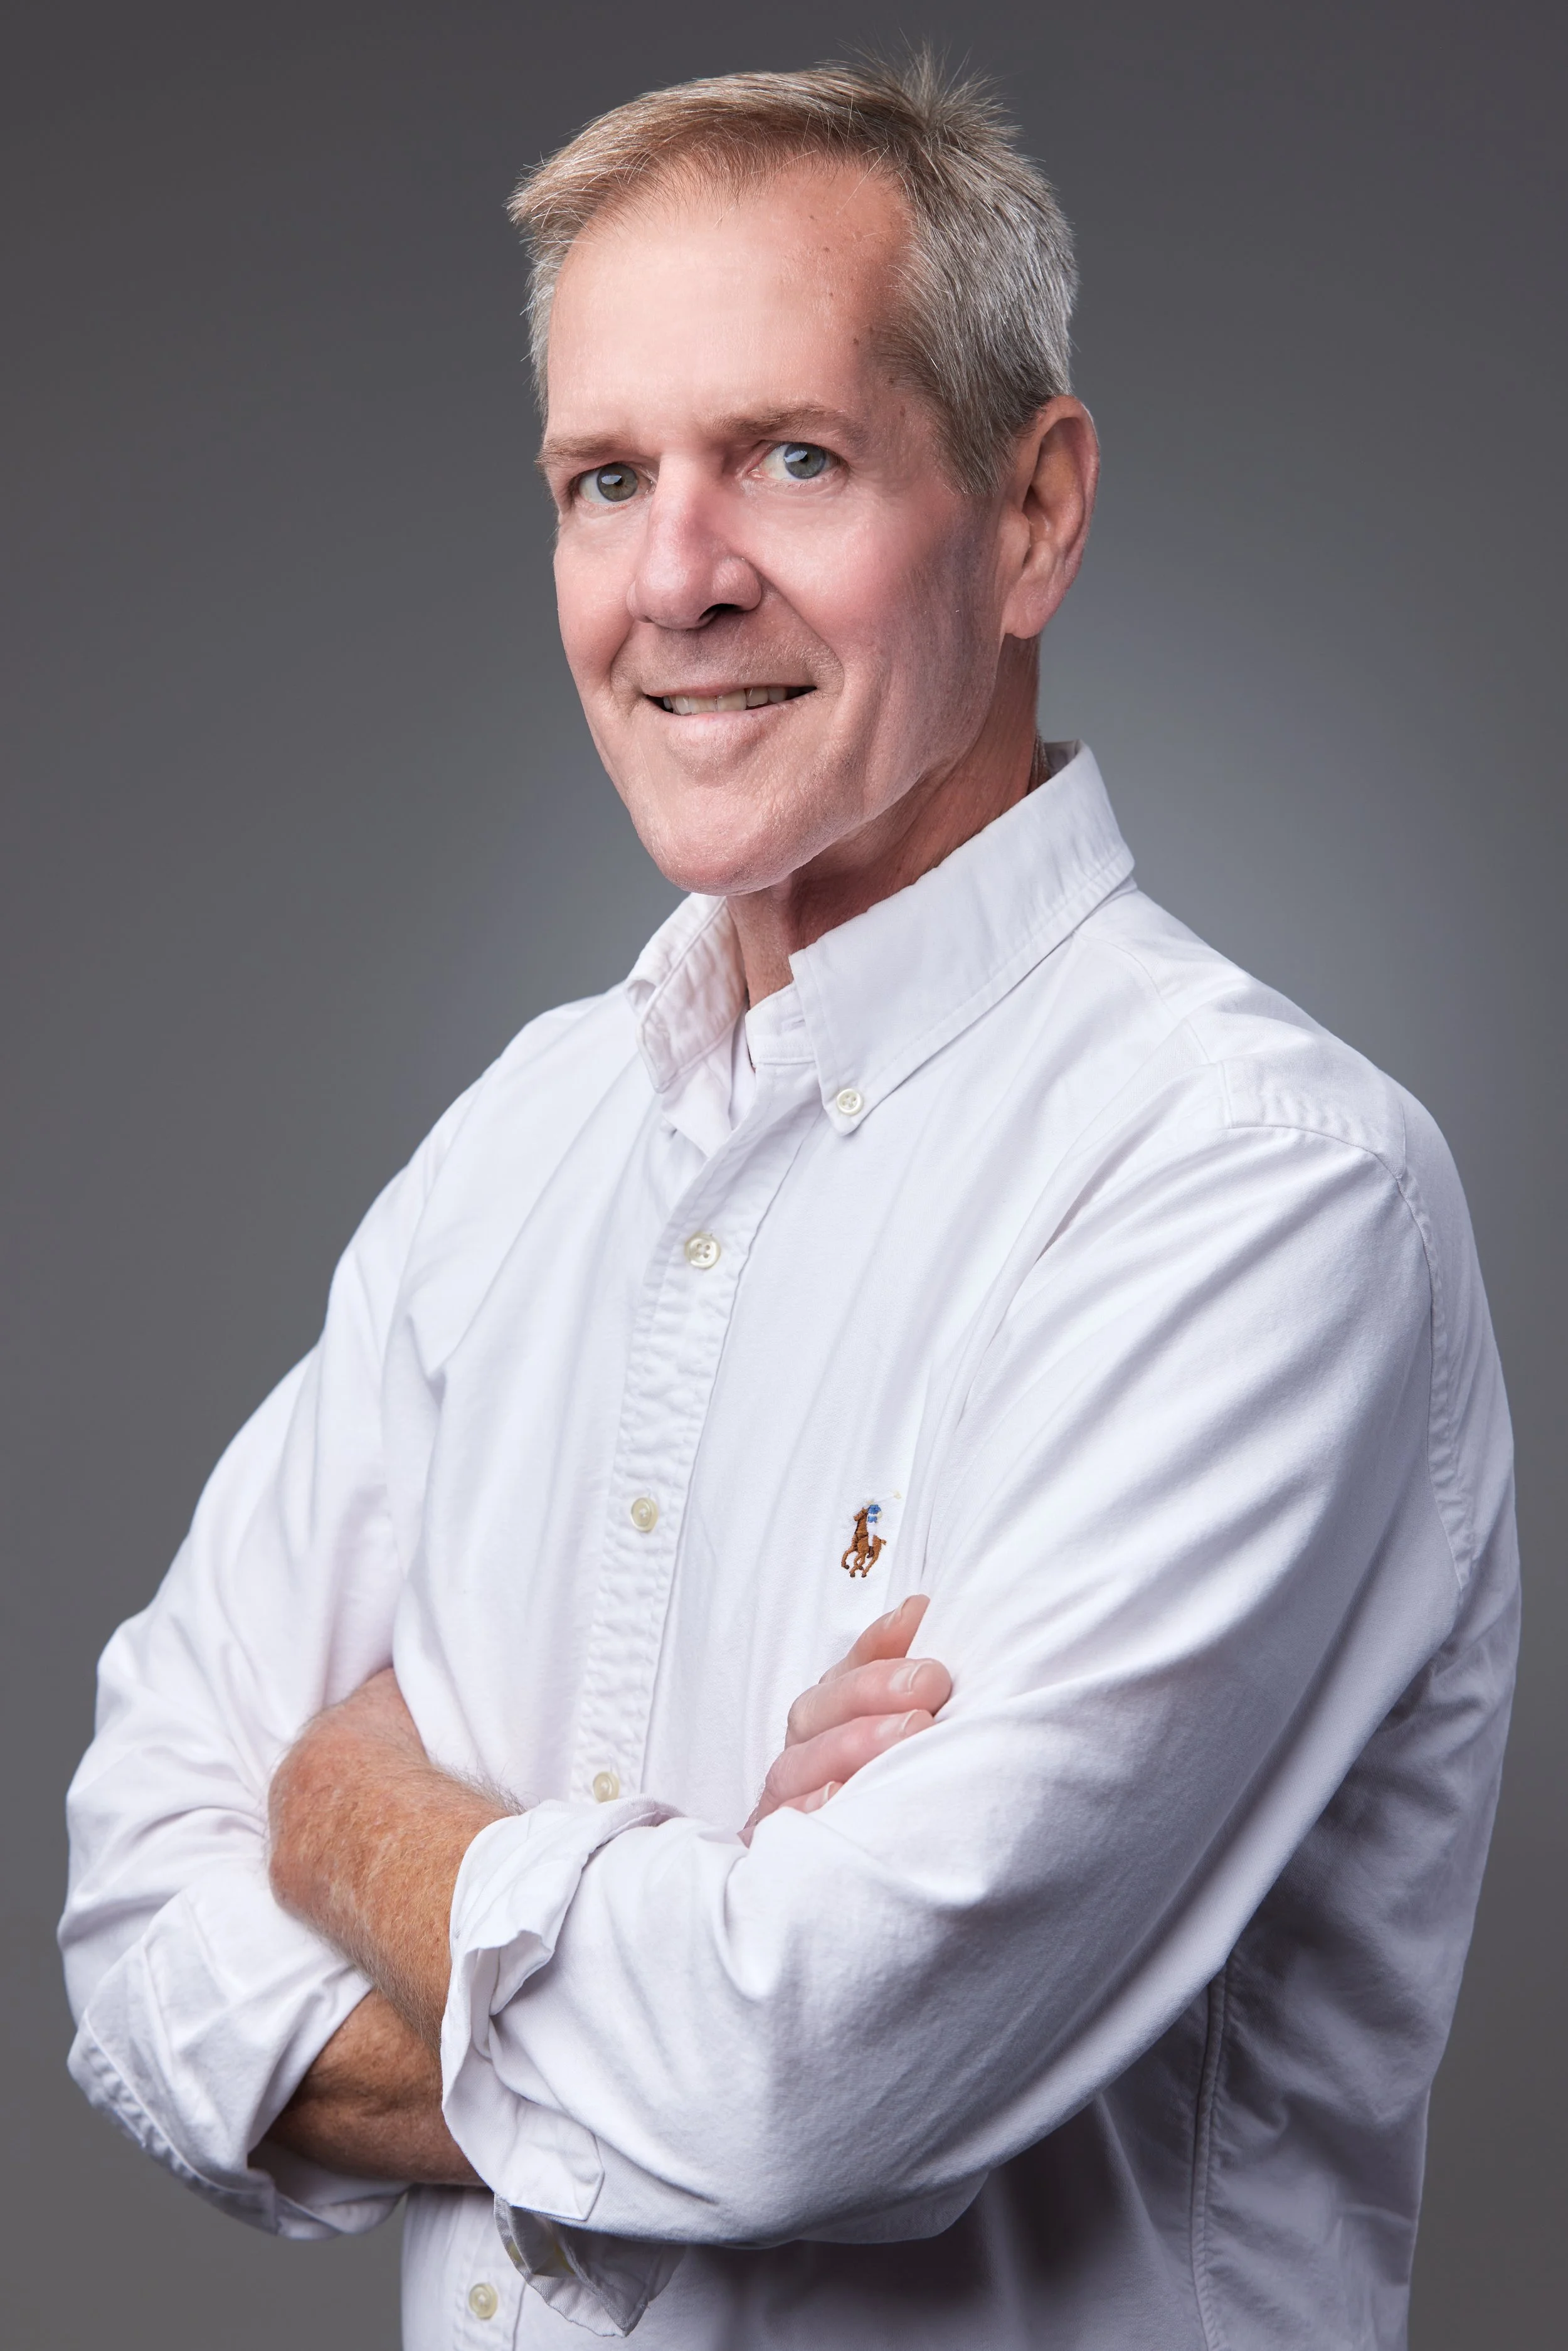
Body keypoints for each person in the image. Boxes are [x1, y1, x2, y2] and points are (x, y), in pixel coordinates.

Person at [59, 56, 1518, 2351]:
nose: (676, 577)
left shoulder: (1260, 1194)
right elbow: (131, 1904)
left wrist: (348, 1810)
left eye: (793, 460)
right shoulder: (516, 1152)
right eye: (603, 477)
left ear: (1034, 513)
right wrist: (682, 1930)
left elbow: (795, 2070)